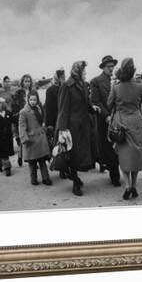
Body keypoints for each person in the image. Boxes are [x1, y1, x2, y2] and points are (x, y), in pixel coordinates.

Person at [56, 61, 101, 196]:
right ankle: (75, 183)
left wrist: (93, 108)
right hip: (72, 127)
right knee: (72, 155)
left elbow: (86, 103)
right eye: (84, 71)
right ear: (78, 72)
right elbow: (62, 109)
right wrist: (62, 128)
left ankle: (75, 179)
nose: (86, 74)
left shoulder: (82, 85)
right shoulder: (67, 86)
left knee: (80, 155)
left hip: (83, 125)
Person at [108, 58, 142, 199]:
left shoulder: (116, 87)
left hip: (121, 122)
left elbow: (109, 103)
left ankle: (127, 186)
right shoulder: (139, 87)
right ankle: (134, 186)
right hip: (136, 122)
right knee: (136, 155)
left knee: (124, 156)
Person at [90, 55, 121, 186]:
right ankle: (114, 176)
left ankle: (114, 171)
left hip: (118, 118)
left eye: (112, 66)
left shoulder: (118, 80)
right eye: (109, 66)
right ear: (103, 67)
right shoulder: (96, 81)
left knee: (119, 146)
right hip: (105, 120)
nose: (111, 68)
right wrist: (106, 116)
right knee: (108, 148)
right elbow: (96, 101)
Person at [18, 91, 52, 186]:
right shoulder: (24, 112)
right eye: (31, 99)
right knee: (32, 163)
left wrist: (45, 129)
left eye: (35, 99)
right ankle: (33, 178)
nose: (33, 101)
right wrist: (24, 138)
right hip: (31, 140)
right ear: (28, 100)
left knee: (42, 161)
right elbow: (22, 126)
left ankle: (46, 178)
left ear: (37, 100)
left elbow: (42, 121)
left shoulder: (39, 109)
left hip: (40, 139)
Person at [0, 97, 15, 176]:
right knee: (4, 154)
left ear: (2, 105)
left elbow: (13, 120)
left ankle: (0, 164)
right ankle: (7, 168)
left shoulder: (8, 113)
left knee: (5, 154)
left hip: (7, 137)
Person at [45, 68, 65, 148]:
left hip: (63, 119)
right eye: (63, 77)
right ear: (58, 78)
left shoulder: (64, 88)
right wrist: (49, 124)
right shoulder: (50, 90)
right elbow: (48, 108)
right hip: (54, 120)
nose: (64, 79)